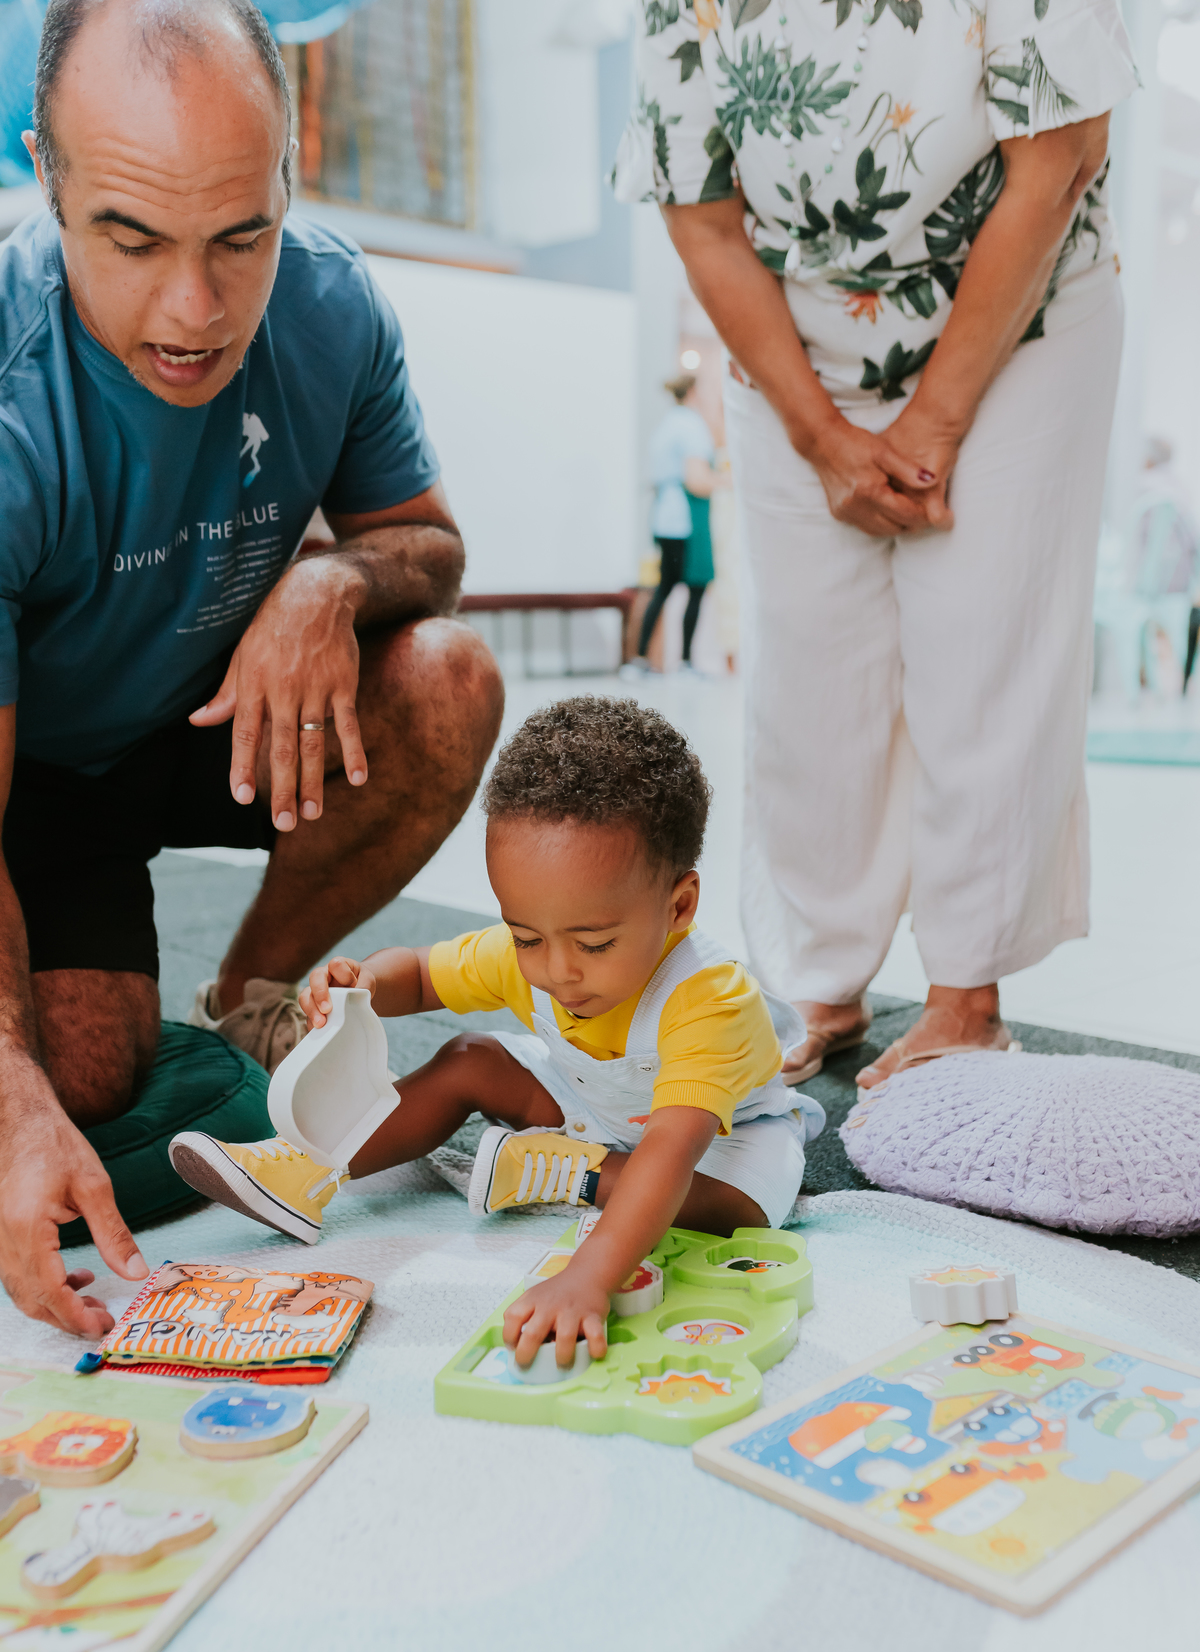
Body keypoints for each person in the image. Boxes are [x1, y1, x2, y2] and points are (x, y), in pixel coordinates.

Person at [0, 0, 503, 1339]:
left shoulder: (334, 302)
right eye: (131, 237)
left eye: (242, 235)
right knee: (87, 1076)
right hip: (25, 768)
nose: (194, 310)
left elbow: (430, 548)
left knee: (448, 681)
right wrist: (12, 1092)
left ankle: (250, 988)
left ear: (289, 176)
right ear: (46, 179)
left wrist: (330, 579)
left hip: (217, 713)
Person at [616, 0, 1137, 1086]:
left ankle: (966, 1001)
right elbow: (699, 216)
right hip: (798, 340)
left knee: (982, 645)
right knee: (811, 675)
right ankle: (822, 984)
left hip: (1020, 314)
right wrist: (822, 437)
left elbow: (1063, 156)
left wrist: (934, 422)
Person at [168, 698, 825, 1367]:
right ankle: (308, 1168)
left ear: (678, 906)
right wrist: (363, 984)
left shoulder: (710, 1000)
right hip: (592, 1105)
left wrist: (588, 1275)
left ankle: (573, 1172)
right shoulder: (530, 955)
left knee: (735, 1210)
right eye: (527, 936)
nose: (557, 970)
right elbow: (421, 975)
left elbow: (667, 1153)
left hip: (717, 1143)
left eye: (594, 944)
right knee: (470, 1057)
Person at [625, 373, 719, 676]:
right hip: (684, 519)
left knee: (663, 586)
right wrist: (730, 481)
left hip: (663, 516)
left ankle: (640, 659)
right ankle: (686, 662)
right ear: (693, 391)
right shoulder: (692, 426)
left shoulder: (667, 425)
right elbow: (698, 480)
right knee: (695, 587)